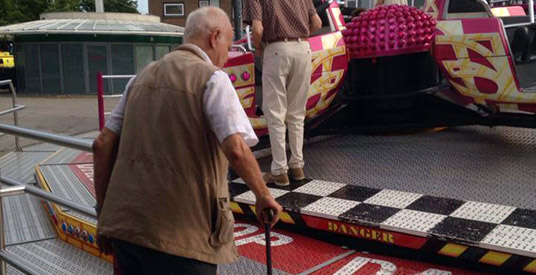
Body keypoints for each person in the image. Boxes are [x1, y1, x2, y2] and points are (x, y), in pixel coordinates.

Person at [93, 7, 283, 274]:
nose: (227, 57)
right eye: (228, 47)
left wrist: (104, 217)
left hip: (128, 232)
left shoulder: (139, 78)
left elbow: (101, 146)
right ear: (215, 37)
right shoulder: (212, 79)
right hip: (184, 238)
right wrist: (263, 196)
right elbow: (236, 150)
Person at [244, 0, 322, 186]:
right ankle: (297, 166)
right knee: (297, 113)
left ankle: (279, 170)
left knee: (275, 113)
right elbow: (317, 23)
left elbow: (257, 29)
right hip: (303, 49)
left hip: (276, 49)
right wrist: (300, 36)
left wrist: (259, 48)